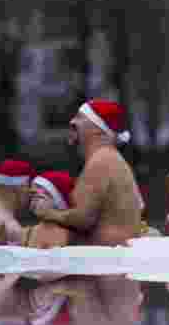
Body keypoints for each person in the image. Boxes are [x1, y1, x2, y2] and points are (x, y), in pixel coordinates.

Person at [30, 99, 145, 248]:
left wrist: (49, 213)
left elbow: (83, 219)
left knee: (48, 231)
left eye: (79, 117)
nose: (72, 121)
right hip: (113, 256)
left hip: (108, 260)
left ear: (97, 128)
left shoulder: (102, 160)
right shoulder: (109, 158)